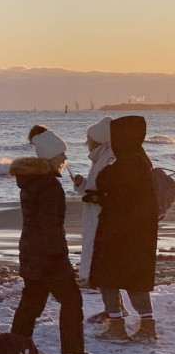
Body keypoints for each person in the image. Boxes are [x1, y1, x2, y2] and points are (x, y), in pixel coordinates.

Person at [9, 126, 97, 354]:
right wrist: (58, 254)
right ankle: (72, 352)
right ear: (51, 157)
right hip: (48, 255)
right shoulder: (49, 186)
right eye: (61, 154)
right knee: (70, 300)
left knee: (31, 302)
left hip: (31, 250)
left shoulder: (31, 182)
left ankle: (15, 347)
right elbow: (50, 226)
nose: (65, 159)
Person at [90, 115, 159, 342]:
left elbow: (106, 181)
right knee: (136, 280)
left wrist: (100, 194)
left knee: (107, 278)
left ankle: (116, 326)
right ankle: (147, 326)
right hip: (139, 233)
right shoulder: (141, 160)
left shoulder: (126, 163)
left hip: (117, 233)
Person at [71, 117, 121, 323]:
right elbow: (95, 188)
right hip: (96, 216)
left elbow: (108, 192)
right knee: (100, 264)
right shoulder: (100, 159)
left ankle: (115, 311)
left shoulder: (109, 159)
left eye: (90, 138)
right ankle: (114, 308)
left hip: (102, 218)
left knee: (102, 264)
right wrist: (82, 185)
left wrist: (91, 195)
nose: (86, 142)